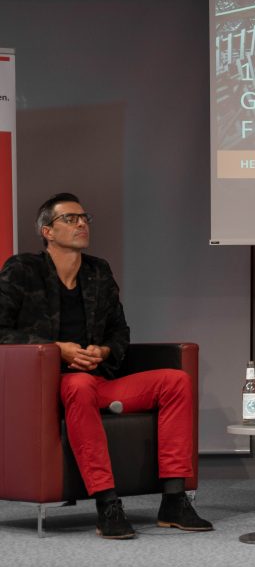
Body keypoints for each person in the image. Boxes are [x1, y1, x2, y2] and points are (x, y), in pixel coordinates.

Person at [0, 193, 212, 539]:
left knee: (176, 381)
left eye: (84, 218)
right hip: (51, 386)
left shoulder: (98, 272)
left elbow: (120, 331)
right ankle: (107, 503)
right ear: (47, 232)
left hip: (99, 380)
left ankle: (174, 499)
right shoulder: (22, 270)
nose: (81, 223)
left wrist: (102, 350)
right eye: (70, 219)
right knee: (78, 385)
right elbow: (2, 331)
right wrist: (59, 350)